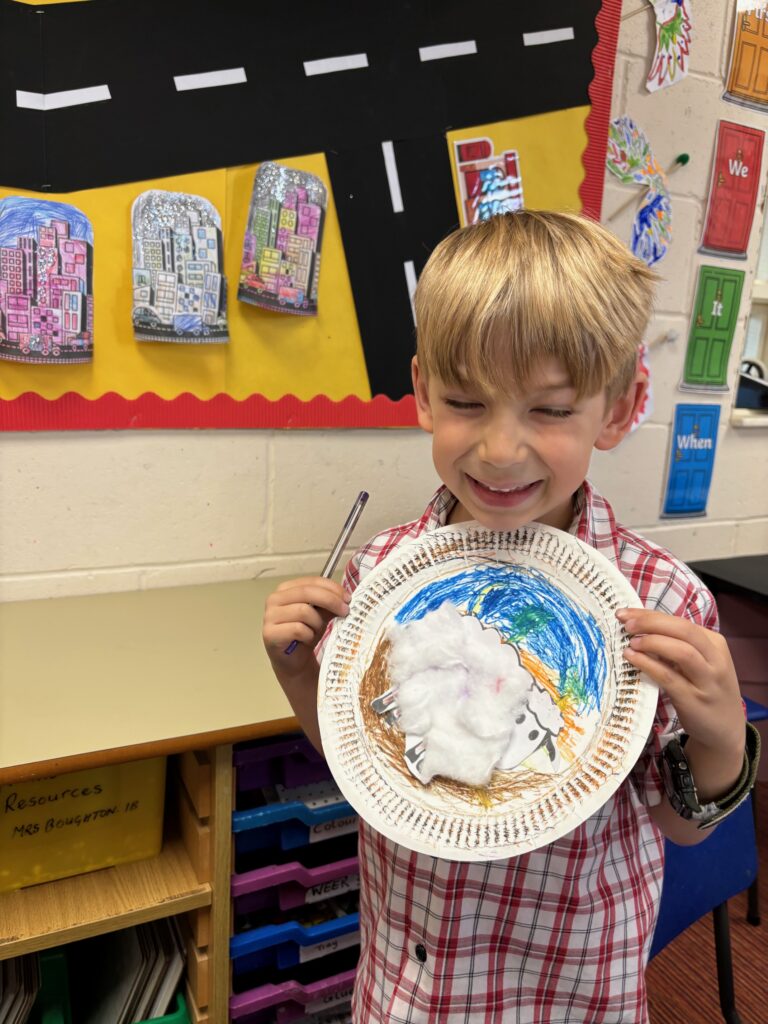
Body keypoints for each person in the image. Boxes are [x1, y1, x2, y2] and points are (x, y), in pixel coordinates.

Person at [262, 212, 758, 1023]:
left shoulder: (659, 598)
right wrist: (298, 674)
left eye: (550, 410)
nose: (499, 448)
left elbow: (678, 824)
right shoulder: (383, 574)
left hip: (566, 991)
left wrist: (722, 738)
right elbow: (370, 763)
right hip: (405, 986)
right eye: (466, 401)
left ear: (621, 406)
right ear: (422, 392)